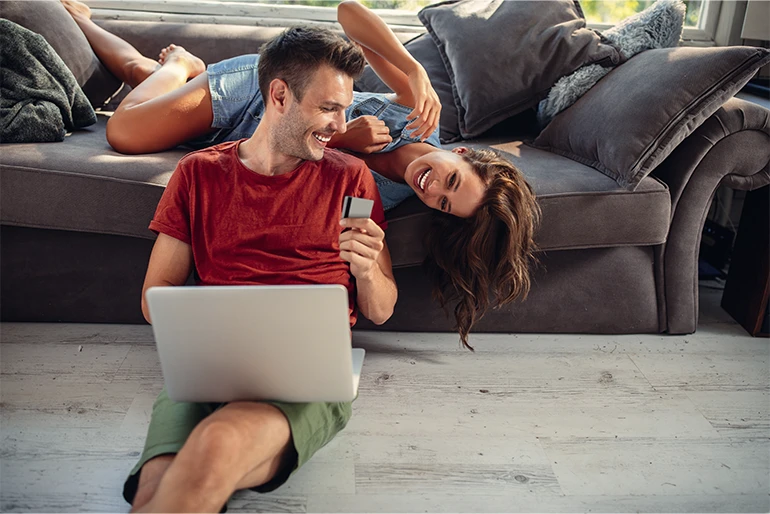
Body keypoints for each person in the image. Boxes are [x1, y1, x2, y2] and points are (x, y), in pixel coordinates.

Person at [62, 0, 540, 349]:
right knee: (124, 131)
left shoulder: (379, 191)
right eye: (450, 179)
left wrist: (341, 146)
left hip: (249, 142)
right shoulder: (419, 114)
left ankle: (163, 75)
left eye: (441, 203)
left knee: (147, 98)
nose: (431, 187)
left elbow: (374, 291)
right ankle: (177, 64)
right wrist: (414, 72)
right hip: (261, 100)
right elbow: (349, 12)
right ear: (459, 152)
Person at [122, 26, 397, 512]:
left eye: (346, 109)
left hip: (307, 373)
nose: (341, 123)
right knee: (153, 487)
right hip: (209, 365)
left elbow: (379, 310)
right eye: (329, 107)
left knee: (218, 444)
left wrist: (369, 270)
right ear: (279, 95)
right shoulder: (198, 174)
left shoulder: (350, 179)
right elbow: (153, 298)